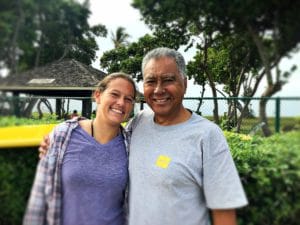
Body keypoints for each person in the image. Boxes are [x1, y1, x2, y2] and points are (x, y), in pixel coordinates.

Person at [38, 47, 248, 225]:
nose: (158, 90)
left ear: (184, 83)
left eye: (168, 80)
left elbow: (224, 210)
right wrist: (60, 138)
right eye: (150, 81)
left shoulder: (208, 135)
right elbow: (105, 136)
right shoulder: (138, 123)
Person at [23, 72, 137, 225]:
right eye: (114, 94)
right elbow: (39, 197)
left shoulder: (131, 145)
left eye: (128, 99)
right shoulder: (63, 135)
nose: (121, 103)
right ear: (97, 95)